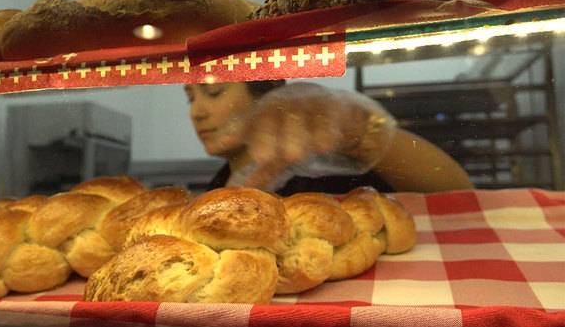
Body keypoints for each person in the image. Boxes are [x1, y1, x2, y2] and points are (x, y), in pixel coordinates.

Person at [184, 80, 474, 195]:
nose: (196, 112)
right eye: (189, 97)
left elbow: (456, 195)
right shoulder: (219, 188)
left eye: (213, 92)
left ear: (267, 93)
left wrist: (366, 132)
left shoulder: (324, 171)